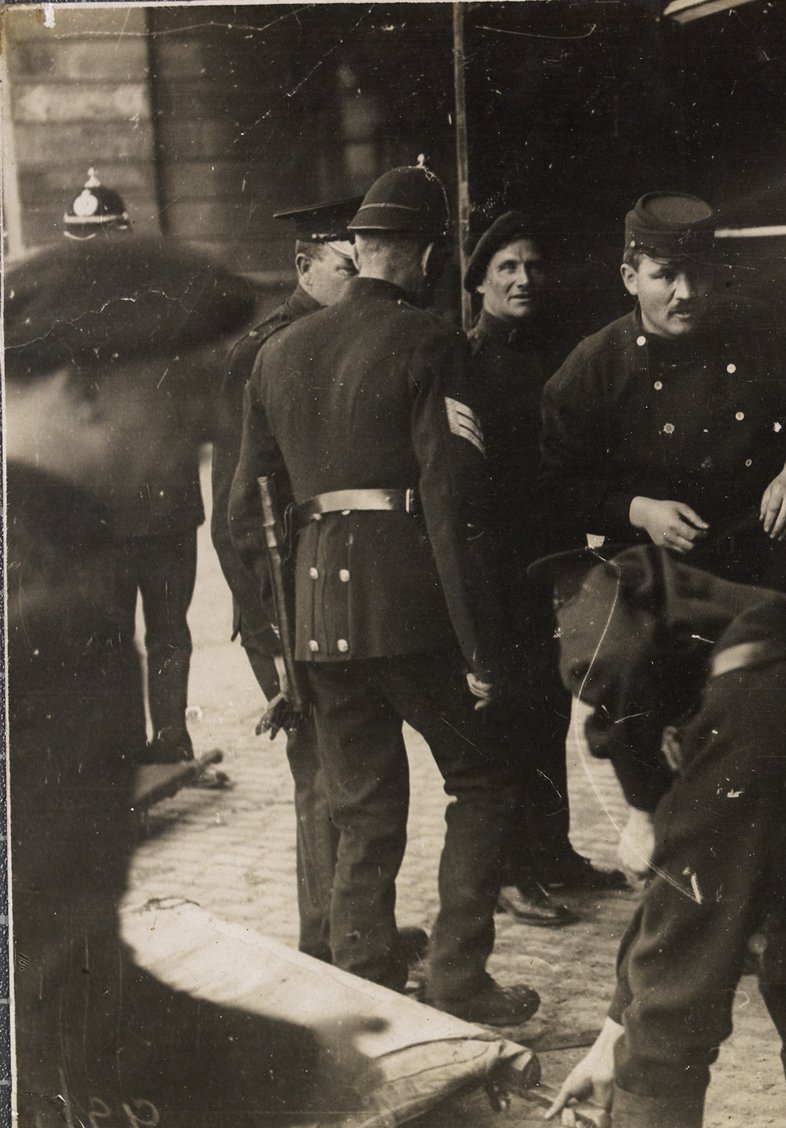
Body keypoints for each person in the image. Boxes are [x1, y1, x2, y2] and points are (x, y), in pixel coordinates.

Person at [7, 237, 374, 1125]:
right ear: (86, 389)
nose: (210, 427)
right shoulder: (48, 609)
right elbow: (48, 988)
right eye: (181, 388)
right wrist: (290, 1067)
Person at [229, 161, 537, 1026]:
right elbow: (452, 502)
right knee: (483, 776)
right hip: (414, 615)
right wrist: (480, 649)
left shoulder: (278, 352)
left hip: (320, 626)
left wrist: (278, 648)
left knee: (362, 806)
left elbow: (242, 517)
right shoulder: (431, 342)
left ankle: (362, 981)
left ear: (361, 248)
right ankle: (458, 977)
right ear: (428, 255)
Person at [540, 547, 786, 1128]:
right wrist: (606, 1040)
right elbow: (672, 900)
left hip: (770, 717)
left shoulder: (587, 587)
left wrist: (639, 810)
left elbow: (611, 666)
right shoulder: (676, 593)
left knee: (668, 1022)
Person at [460, 209, 626, 932]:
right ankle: (509, 873)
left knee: (550, 709)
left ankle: (552, 855)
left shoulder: (556, 354)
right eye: (507, 268)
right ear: (479, 283)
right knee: (508, 719)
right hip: (496, 566)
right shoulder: (462, 361)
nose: (524, 279)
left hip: (551, 558)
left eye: (531, 266)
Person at [213, 193, 361, 963]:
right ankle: (326, 947)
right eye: (346, 266)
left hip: (325, 593)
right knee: (322, 778)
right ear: (305, 264)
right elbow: (232, 517)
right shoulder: (265, 349)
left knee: (348, 774)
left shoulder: (337, 336)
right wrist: (269, 631)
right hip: (282, 599)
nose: (359, 278)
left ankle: (350, 928)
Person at [539, 192, 786, 595]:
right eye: (667, 275)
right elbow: (559, 488)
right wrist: (640, 511)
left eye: (698, 273)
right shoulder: (592, 369)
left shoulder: (758, 329)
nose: (686, 292)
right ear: (629, 278)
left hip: (763, 568)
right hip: (653, 580)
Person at [62, 167, 203, 763]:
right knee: (112, 631)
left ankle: (170, 736)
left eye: (104, 239)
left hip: (163, 501)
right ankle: (120, 743)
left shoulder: (163, 307)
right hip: (103, 512)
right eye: (84, 242)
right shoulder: (61, 320)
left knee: (169, 624)